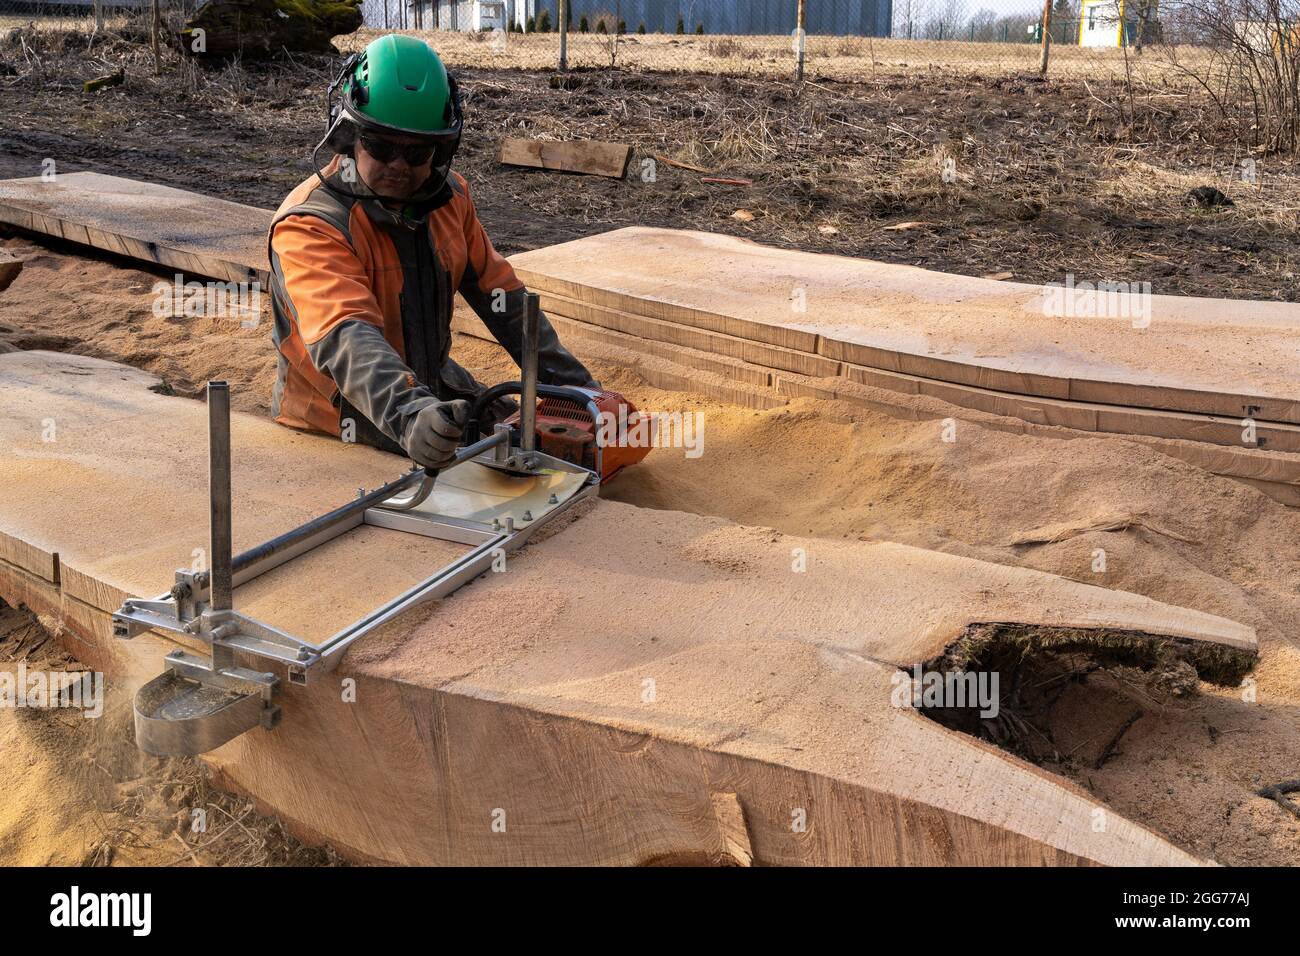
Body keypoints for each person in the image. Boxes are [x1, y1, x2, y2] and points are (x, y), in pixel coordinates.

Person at [267, 33, 597, 469]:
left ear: (441, 150)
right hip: (340, 416)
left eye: (417, 152)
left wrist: (579, 393)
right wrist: (410, 416)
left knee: (539, 446)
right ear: (349, 135)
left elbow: (505, 302)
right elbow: (347, 339)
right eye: (381, 145)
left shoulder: (450, 199)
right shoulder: (310, 225)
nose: (398, 165)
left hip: (429, 386)